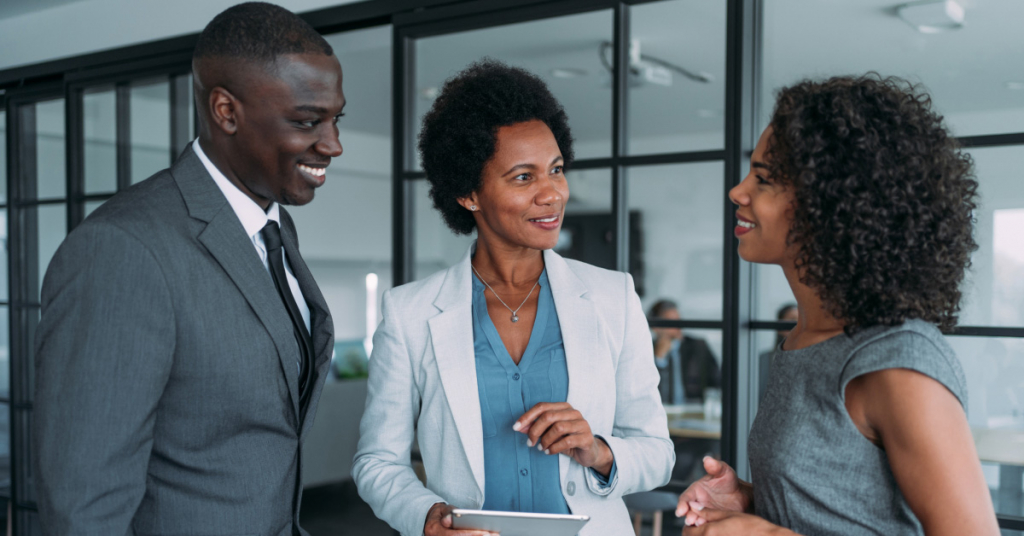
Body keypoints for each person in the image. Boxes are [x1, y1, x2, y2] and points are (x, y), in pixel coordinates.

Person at [33, 3, 344, 535]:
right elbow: (83, 509)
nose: (333, 144)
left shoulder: (273, 226)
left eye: (337, 118)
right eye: (307, 121)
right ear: (226, 111)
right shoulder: (122, 249)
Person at [352, 60, 674, 536]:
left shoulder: (613, 297)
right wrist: (425, 517)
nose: (553, 194)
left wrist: (598, 450)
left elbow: (657, 452)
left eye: (556, 170)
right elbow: (378, 461)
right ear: (469, 194)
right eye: (523, 177)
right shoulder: (411, 313)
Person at [675, 74, 999, 536]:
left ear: (829, 203)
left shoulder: (896, 362)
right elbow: (841, 509)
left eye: (764, 179)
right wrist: (750, 501)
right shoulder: (805, 340)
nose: (738, 191)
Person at [649, 299, 722, 404]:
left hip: (694, 413)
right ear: (656, 327)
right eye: (671, 321)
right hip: (662, 414)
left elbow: (717, 382)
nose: (678, 326)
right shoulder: (647, 350)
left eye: (678, 320)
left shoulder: (698, 346)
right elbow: (648, 390)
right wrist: (659, 359)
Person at [757, 303, 797, 403]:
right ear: (780, 326)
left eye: (801, 321)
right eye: (792, 320)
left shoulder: (811, 360)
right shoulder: (763, 360)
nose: (797, 326)